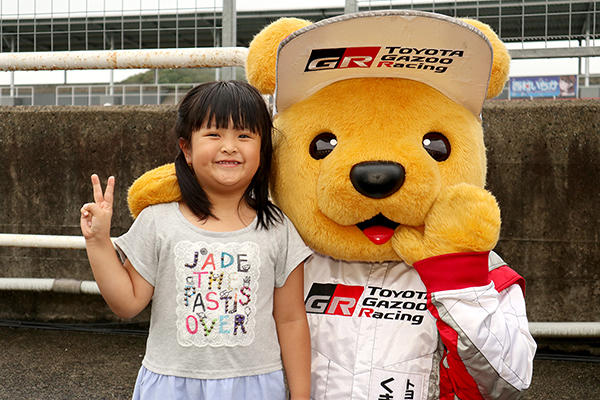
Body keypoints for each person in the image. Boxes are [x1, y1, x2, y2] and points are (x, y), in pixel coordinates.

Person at [80, 81, 312, 400]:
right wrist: (98, 242)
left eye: (244, 135)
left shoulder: (278, 227)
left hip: (255, 386)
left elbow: (290, 319)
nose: (229, 146)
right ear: (187, 149)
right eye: (214, 134)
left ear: (263, 150)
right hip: (171, 386)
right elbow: (127, 302)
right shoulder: (158, 221)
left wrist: (301, 395)